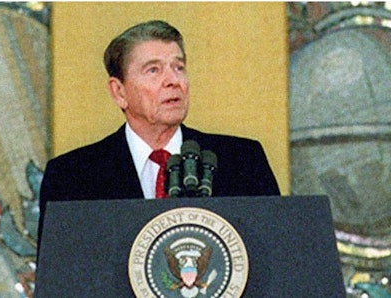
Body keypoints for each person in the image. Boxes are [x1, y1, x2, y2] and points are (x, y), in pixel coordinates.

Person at [38, 20, 279, 249]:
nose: (173, 81)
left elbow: (275, 258)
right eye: (153, 70)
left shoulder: (243, 162)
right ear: (119, 91)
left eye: (179, 67)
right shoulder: (71, 177)